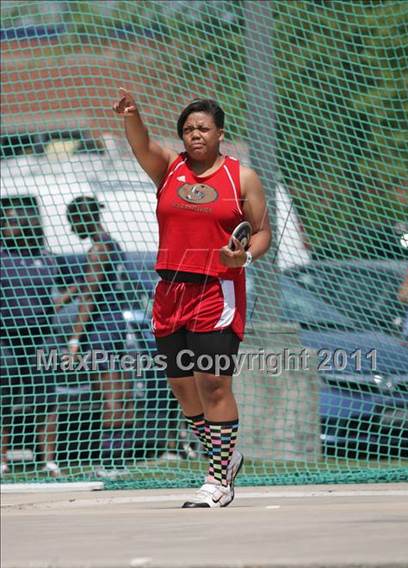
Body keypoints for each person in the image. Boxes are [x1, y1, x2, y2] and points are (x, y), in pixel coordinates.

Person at [113, 88, 272, 507]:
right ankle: (228, 454)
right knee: (184, 390)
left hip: (217, 289)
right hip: (169, 290)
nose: (194, 135)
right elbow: (141, 143)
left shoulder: (242, 177)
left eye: (203, 128)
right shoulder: (168, 168)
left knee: (214, 384)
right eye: (187, 129)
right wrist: (132, 115)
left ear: (220, 133)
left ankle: (218, 480)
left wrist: (245, 258)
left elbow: (262, 233)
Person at [54, 196, 134, 475]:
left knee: (109, 395)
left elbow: (90, 295)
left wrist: (74, 339)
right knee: (123, 392)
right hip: (117, 326)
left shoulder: (98, 249)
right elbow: (89, 280)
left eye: (72, 222)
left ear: (83, 219)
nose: (71, 228)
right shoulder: (110, 243)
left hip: (100, 329)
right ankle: (120, 461)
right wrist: (62, 299)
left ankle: (109, 463)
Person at [1, 201, 60, 477]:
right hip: (7, 342)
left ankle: (48, 461)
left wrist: (57, 305)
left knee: (46, 400)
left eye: (11, 222)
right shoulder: (2, 256)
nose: (5, 227)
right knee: (5, 400)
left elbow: (71, 288)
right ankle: (3, 461)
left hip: (40, 340)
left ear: (26, 225)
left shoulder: (46, 258)